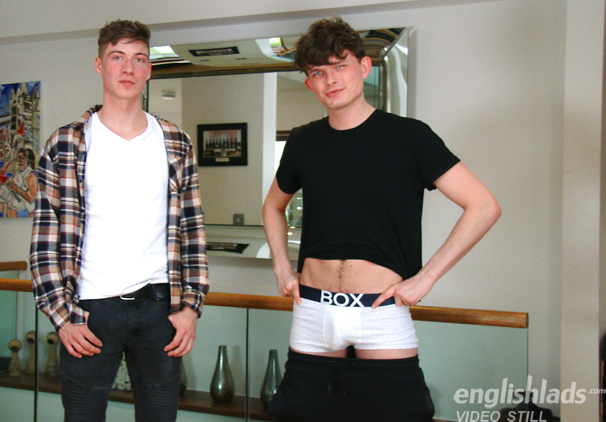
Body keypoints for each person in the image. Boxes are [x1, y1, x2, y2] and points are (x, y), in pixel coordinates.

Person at [262, 17, 501, 422]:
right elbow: (272, 206)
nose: (330, 80)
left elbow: (484, 206)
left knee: (397, 415)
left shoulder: (410, 137)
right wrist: (282, 269)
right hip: (314, 308)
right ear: (309, 83)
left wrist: (425, 278)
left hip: (380, 310)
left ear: (364, 66)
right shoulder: (303, 141)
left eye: (340, 65)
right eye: (318, 72)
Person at [30, 19, 209, 422]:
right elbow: (43, 242)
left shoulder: (175, 142)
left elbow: (193, 230)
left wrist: (191, 309)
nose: (128, 68)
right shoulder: (65, 144)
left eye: (138, 59)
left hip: (160, 306)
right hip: (89, 310)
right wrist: (62, 318)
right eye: (117, 57)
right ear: (99, 65)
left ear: (149, 69)